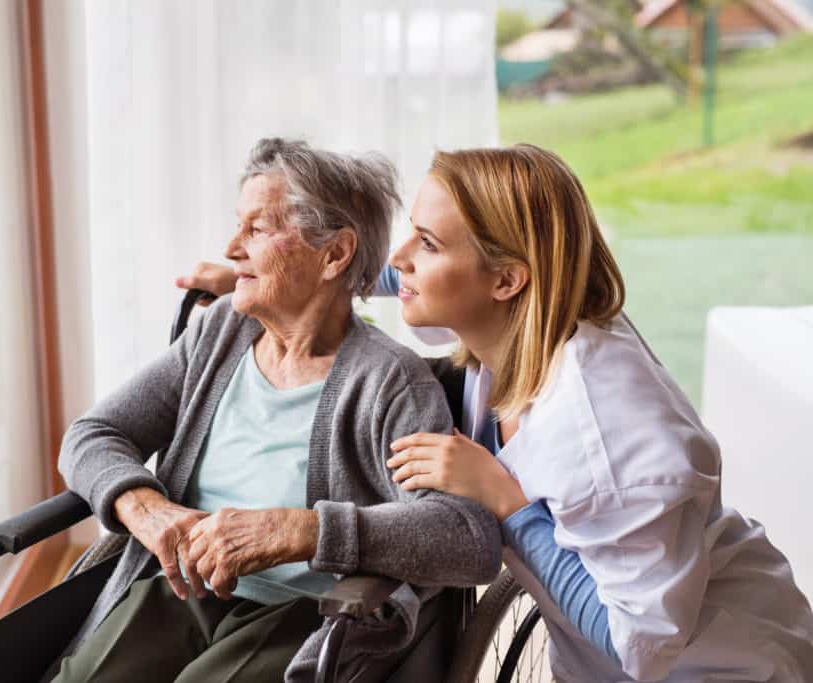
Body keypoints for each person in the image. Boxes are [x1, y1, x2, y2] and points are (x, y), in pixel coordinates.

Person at [177, 144, 813, 682]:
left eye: (426, 242)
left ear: (507, 279)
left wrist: (504, 502)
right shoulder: (522, 322)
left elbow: (640, 646)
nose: (398, 259)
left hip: (719, 664)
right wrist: (283, 278)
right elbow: (409, 276)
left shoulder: (609, 428)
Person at [48, 138, 501, 683]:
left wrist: (304, 530)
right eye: (239, 225)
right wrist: (147, 510)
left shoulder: (388, 381)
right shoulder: (220, 335)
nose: (232, 247)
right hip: (181, 591)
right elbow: (94, 433)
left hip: (305, 612)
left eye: (257, 229)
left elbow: (466, 538)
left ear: (334, 255)